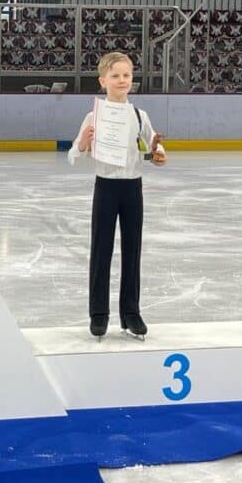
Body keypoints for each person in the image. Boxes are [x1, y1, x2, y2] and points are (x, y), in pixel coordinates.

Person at [68, 52, 166, 339]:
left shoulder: (139, 115)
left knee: (132, 250)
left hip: (133, 188)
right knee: (101, 250)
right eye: (115, 75)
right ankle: (98, 314)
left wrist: (158, 155)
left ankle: (131, 313)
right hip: (106, 187)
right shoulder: (93, 116)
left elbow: (152, 147)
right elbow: (75, 154)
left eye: (126, 75)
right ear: (103, 81)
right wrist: (84, 144)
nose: (122, 80)